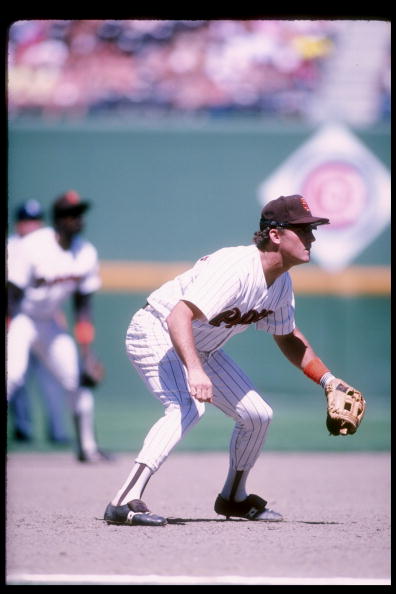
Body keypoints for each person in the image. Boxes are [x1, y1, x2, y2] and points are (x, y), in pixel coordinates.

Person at [103, 194, 346, 527]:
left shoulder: (280, 283)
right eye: (303, 230)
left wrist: (328, 380)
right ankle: (121, 501)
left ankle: (233, 497)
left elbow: (288, 336)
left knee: (258, 416)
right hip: (156, 329)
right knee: (187, 407)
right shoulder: (236, 268)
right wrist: (195, 370)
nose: (311, 238)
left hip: (199, 347)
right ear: (275, 235)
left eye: (312, 230)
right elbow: (178, 316)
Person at [7, 190, 112, 463]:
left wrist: (87, 353)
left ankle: (88, 448)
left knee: (77, 380)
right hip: (21, 319)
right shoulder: (33, 246)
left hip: (50, 323)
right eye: (71, 215)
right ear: (58, 219)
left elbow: (82, 307)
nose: (78, 220)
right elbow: (11, 294)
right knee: (12, 376)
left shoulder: (85, 253)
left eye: (80, 214)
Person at [7, 199, 71, 444]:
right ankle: (22, 429)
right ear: (18, 224)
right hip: (18, 320)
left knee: (53, 377)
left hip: (45, 322)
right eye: (26, 220)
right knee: (15, 378)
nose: (30, 225)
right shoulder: (12, 247)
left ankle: (57, 431)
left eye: (35, 220)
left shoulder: (46, 246)